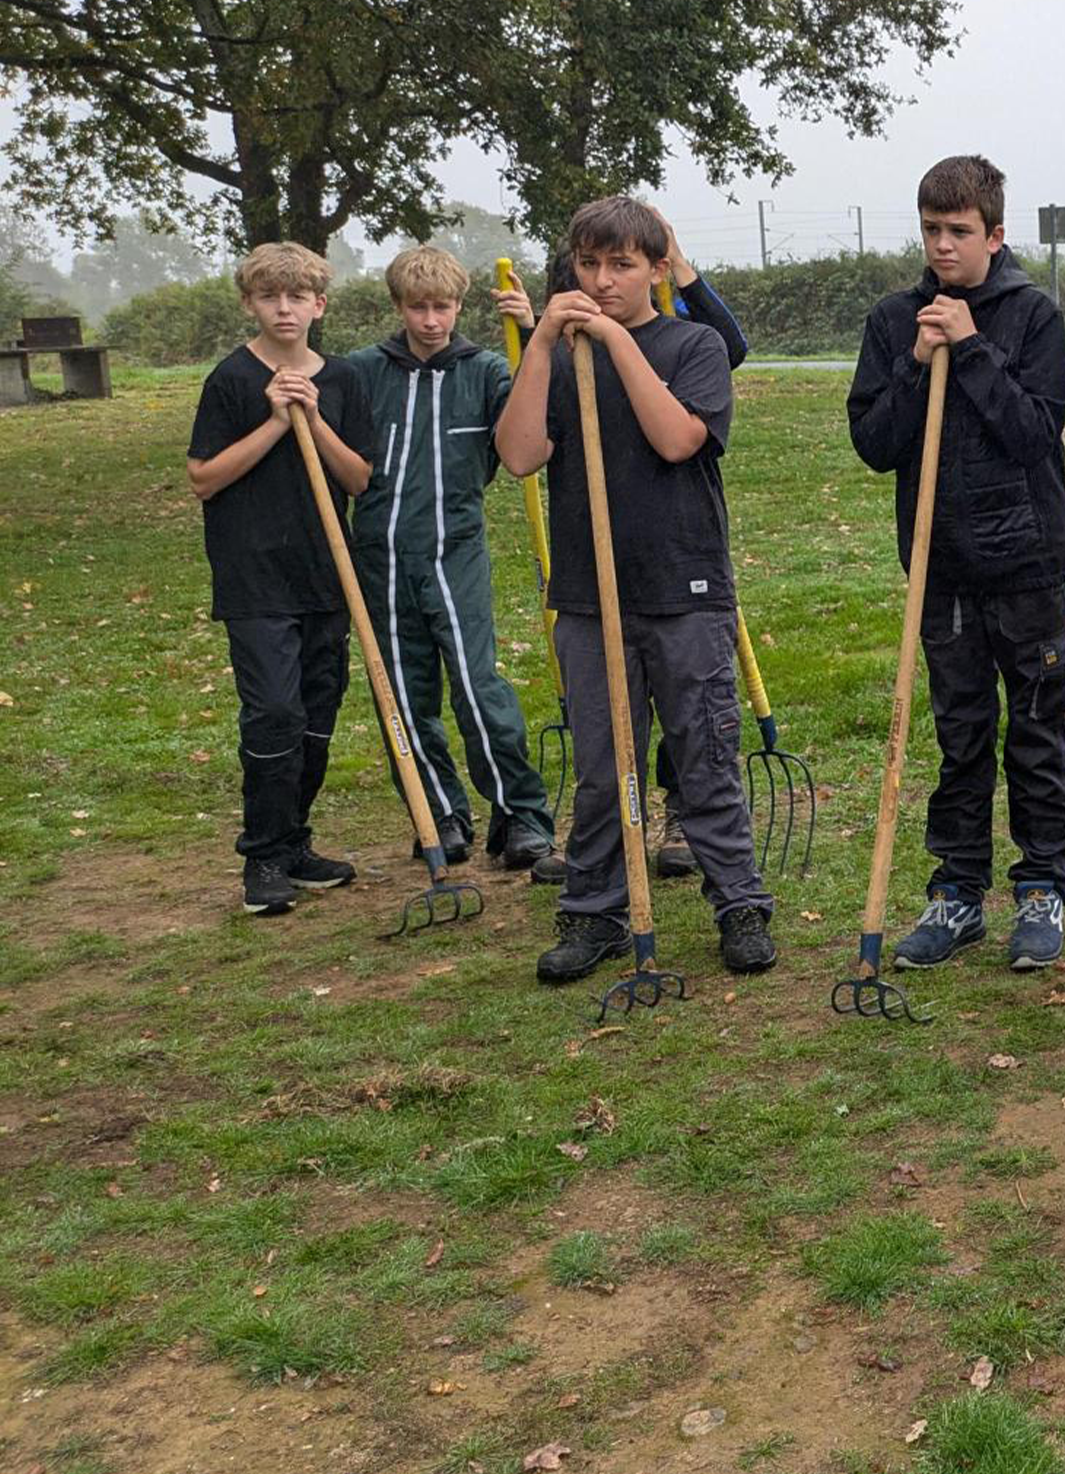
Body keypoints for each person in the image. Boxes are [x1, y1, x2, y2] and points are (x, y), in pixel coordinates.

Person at [494, 197, 780, 981]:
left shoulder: (695, 345)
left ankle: (739, 905)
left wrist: (619, 340)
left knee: (704, 754)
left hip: (683, 588)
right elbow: (518, 455)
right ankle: (596, 914)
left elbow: (679, 437)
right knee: (601, 765)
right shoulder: (556, 360)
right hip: (589, 596)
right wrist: (544, 343)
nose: (602, 279)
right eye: (588, 265)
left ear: (657, 269)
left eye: (621, 265)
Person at [848, 155, 1065, 971]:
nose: (943, 247)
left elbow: (1032, 436)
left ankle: (1043, 886)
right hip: (939, 573)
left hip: (1027, 568)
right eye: (931, 230)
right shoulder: (892, 319)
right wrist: (916, 362)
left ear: (995, 234)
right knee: (960, 736)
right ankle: (956, 894)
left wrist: (973, 349)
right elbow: (874, 445)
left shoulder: (1031, 317)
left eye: (959, 231)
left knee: (1038, 736)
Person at [346, 245, 564, 883]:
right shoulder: (363, 372)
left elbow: (543, 400)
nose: (431, 320)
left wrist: (530, 329)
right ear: (398, 307)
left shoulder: (488, 370)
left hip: (455, 549)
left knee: (474, 682)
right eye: (418, 308)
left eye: (442, 307)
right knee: (403, 694)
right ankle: (437, 812)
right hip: (380, 557)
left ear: (460, 306)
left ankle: (519, 814)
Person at [185, 242, 375, 914]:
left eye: (298, 297)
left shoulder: (345, 379)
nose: (284, 308)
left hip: (326, 573)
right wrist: (274, 421)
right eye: (271, 296)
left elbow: (356, 477)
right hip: (255, 575)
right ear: (250, 303)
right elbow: (204, 478)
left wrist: (314, 416)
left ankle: (294, 841)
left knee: (316, 718)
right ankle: (262, 858)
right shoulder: (232, 381)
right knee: (274, 714)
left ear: (319, 305)